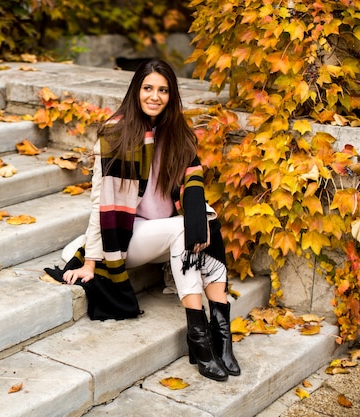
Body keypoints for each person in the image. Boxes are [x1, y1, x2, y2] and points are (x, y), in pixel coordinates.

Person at [45, 59, 240, 382]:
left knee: (205, 219)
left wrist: (198, 219)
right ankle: (199, 337)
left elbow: (193, 189)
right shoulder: (114, 136)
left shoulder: (179, 136)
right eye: (148, 88)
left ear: (171, 95)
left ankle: (222, 335)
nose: (155, 96)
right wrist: (91, 262)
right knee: (187, 226)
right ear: (136, 91)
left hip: (162, 235)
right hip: (126, 239)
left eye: (163, 90)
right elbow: (101, 205)